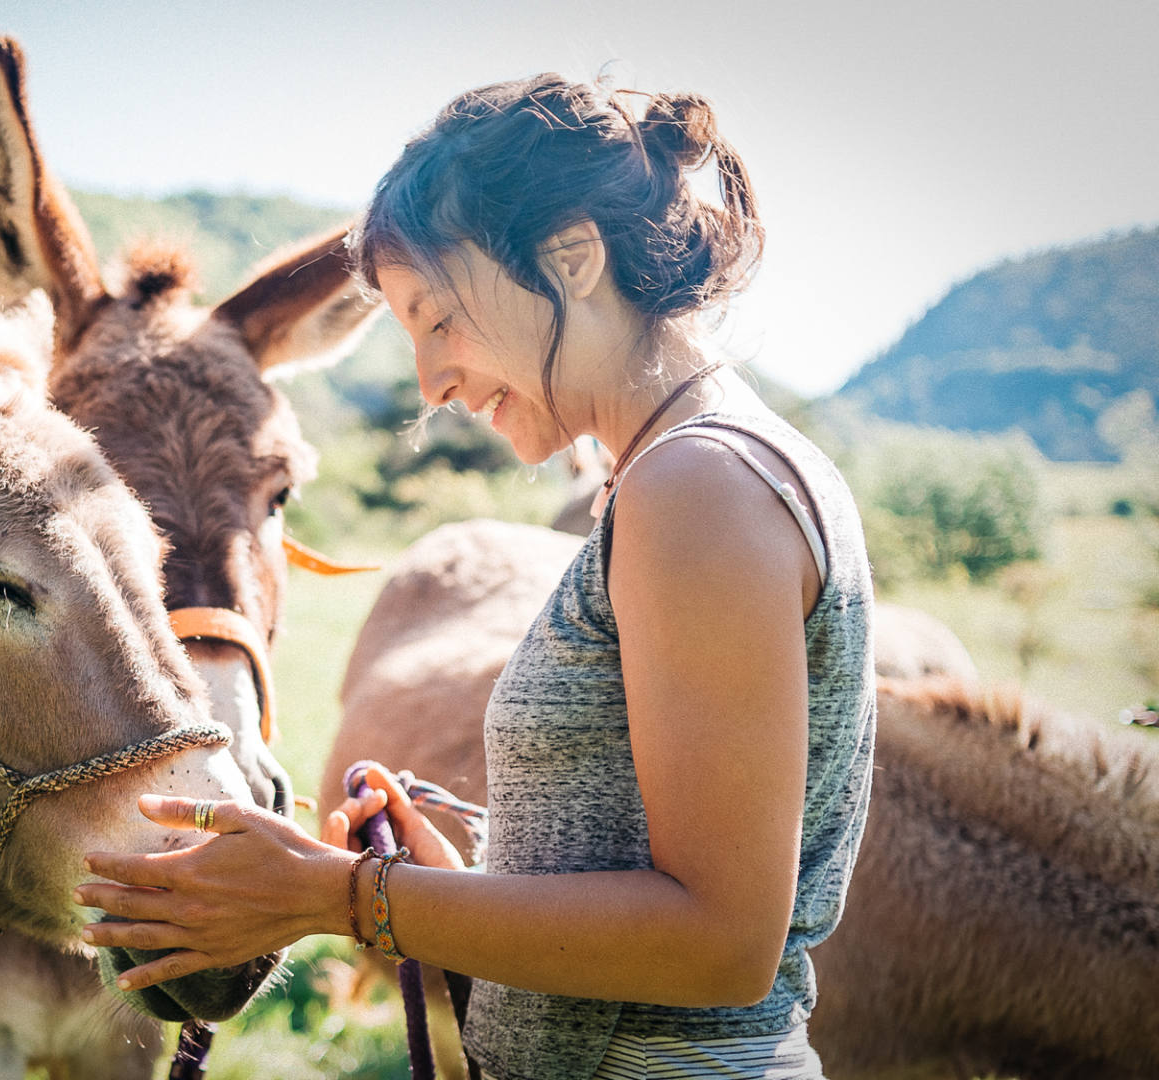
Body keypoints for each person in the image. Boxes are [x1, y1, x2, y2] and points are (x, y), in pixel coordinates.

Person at [77, 73, 874, 1080]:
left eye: (439, 319)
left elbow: (720, 940)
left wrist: (343, 895)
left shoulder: (698, 488)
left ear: (572, 258)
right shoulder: (700, 471)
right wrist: (462, 877)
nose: (431, 384)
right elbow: (653, 879)